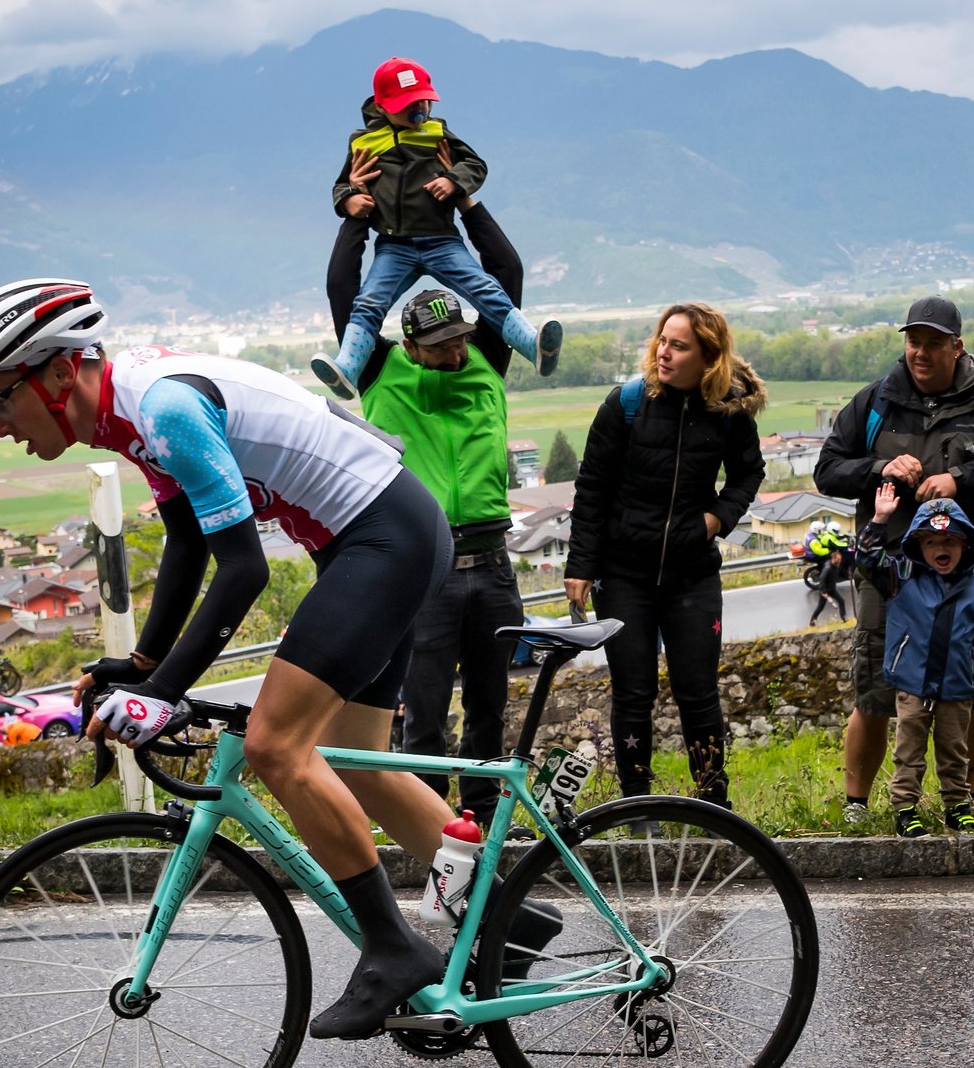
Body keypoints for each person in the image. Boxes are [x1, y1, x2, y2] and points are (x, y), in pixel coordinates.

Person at [0, 277, 559, 1040]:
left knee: (280, 745)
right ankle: (508, 914)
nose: (0, 423)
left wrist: (165, 693)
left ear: (53, 373)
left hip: (382, 538)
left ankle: (391, 949)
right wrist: (145, 665)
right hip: (383, 533)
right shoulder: (125, 411)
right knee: (361, 764)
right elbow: (185, 539)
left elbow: (243, 568)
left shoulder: (161, 408)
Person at [813, 296, 974, 827]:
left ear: (957, 347)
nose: (921, 352)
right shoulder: (874, 403)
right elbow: (828, 471)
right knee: (874, 687)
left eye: (934, 343)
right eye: (914, 341)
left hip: (969, 572)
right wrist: (879, 468)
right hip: (889, 571)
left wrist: (961, 481)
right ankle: (857, 805)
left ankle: (968, 799)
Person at [565, 303, 766, 812]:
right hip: (623, 574)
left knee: (698, 693)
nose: (663, 352)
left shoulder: (729, 412)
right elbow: (591, 488)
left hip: (692, 575)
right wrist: (580, 565)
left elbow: (748, 473)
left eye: (678, 346)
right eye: (662, 341)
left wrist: (716, 519)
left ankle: (713, 807)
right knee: (633, 694)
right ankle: (637, 810)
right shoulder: (626, 405)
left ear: (709, 357)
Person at [349, 276, 528, 817]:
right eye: (441, 344)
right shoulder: (381, 371)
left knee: (489, 710)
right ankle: (432, 829)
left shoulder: (485, 361)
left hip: (494, 566)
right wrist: (361, 221)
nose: (456, 352)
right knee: (424, 714)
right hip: (429, 572)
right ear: (408, 347)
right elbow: (350, 304)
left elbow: (505, 281)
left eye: (461, 338)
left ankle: (485, 822)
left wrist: (461, 208)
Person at [312, 56, 560, 397]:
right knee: (369, 303)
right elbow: (343, 185)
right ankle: (348, 368)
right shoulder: (363, 143)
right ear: (382, 107)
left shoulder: (436, 132)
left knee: (485, 289)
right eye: (407, 106)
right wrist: (349, 200)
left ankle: (532, 345)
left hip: (442, 240)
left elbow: (475, 165)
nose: (419, 110)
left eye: (423, 101)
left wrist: (455, 182)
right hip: (393, 244)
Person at [853, 488, 974, 835]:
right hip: (912, 683)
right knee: (909, 750)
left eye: (951, 542)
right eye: (932, 542)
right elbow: (866, 561)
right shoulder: (901, 578)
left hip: (956, 685)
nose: (942, 549)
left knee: (955, 750)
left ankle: (957, 804)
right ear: (918, 547)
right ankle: (906, 808)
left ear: (966, 546)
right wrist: (879, 519)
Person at [808, 533, 850, 625]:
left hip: (832, 589)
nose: (840, 561)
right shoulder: (828, 568)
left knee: (841, 601)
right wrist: (823, 591)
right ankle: (812, 622)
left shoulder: (835, 565)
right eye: (838, 559)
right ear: (834, 558)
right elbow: (822, 579)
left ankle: (844, 617)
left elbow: (841, 571)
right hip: (825, 590)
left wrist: (848, 575)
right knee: (820, 607)